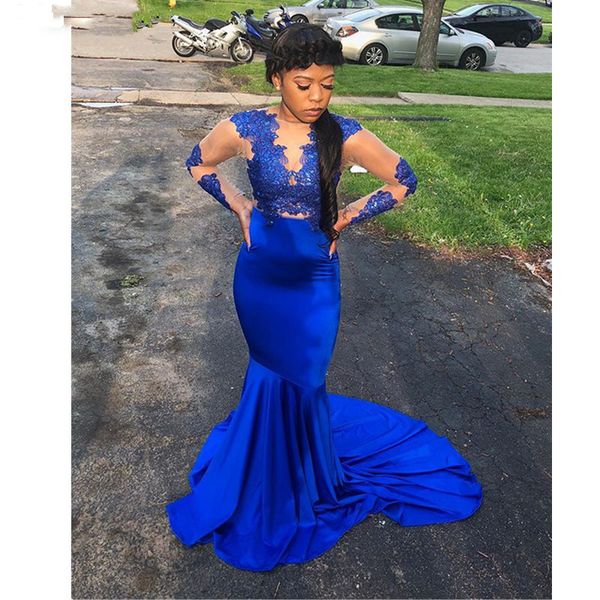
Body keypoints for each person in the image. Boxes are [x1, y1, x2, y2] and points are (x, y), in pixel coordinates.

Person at [165, 23, 483, 572]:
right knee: (268, 373)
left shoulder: (344, 133)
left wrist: (347, 217)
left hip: (315, 280)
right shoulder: (245, 127)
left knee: (307, 377)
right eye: (304, 84)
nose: (317, 97)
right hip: (260, 275)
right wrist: (238, 203)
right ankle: (265, 469)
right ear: (276, 78)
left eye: (327, 85)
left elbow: (403, 179)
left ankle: (306, 476)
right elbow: (198, 161)